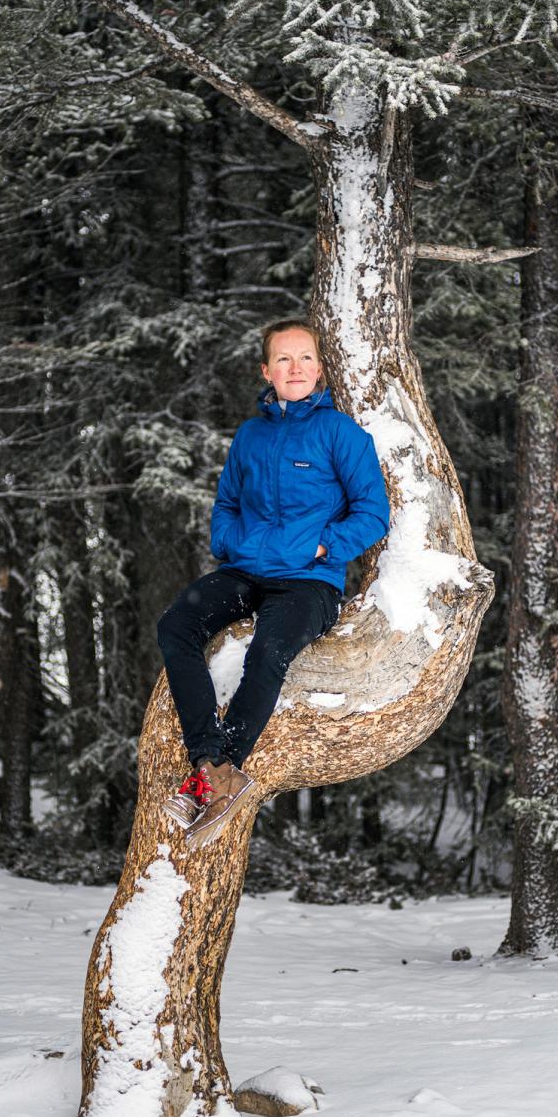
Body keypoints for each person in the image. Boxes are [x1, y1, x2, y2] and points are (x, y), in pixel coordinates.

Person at [156, 319, 390, 850]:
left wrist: (322, 546)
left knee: (267, 653)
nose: (296, 369)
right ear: (267, 371)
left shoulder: (341, 434)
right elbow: (226, 505)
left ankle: (220, 772)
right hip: (244, 571)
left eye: (306, 358)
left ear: (321, 369)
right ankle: (210, 762)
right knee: (176, 626)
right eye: (284, 360)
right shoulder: (250, 435)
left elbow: (374, 513)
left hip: (309, 584)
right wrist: (231, 543)